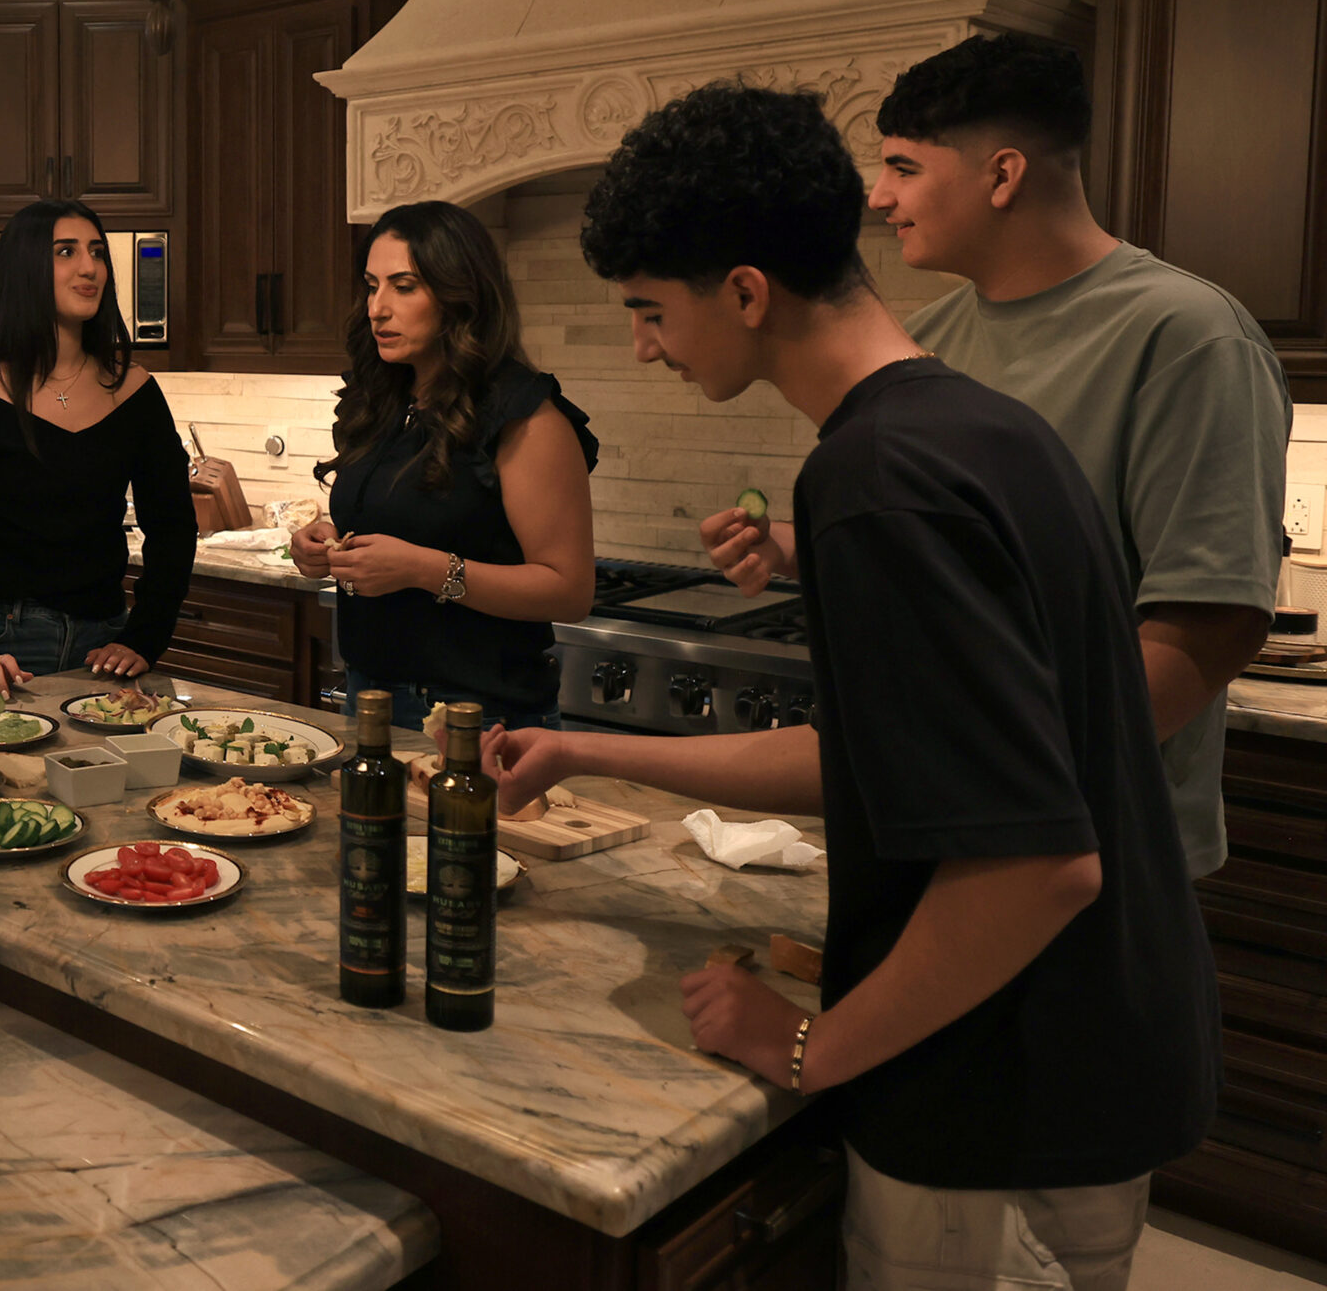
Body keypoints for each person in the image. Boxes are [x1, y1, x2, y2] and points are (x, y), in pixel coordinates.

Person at [492, 81, 1217, 1289]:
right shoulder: (984, 428)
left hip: (996, 1094)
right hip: (1081, 1055)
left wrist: (807, 1044)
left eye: (648, 310)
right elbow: (898, 760)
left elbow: (1036, 863)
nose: (642, 346)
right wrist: (592, 749)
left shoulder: (876, 482)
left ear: (742, 292)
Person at [700, 32, 1287, 878]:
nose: (878, 195)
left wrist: (1005, 781)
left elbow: (1212, 627)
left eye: (903, 168)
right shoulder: (928, 340)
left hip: (1096, 851)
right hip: (944, 835)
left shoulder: (1186, 337)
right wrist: (798, 544)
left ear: (1003, 175)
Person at [287, 200, 596, 733]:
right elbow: (409, 523)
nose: (377, 308)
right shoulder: (385, 400)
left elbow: (569, 590)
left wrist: (420, 569)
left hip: (477, 713)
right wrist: (328, 544)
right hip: (368, 693)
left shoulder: (524, 415)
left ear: (460, 296)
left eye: (404, 287)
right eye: (371, 285)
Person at [0, 199, 197, 690]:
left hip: (104, 642)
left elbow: (172, 528)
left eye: (97, 252)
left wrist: (144, 638)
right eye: (66, 251)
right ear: (25, 268)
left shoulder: (133, 391)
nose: (89, 267)